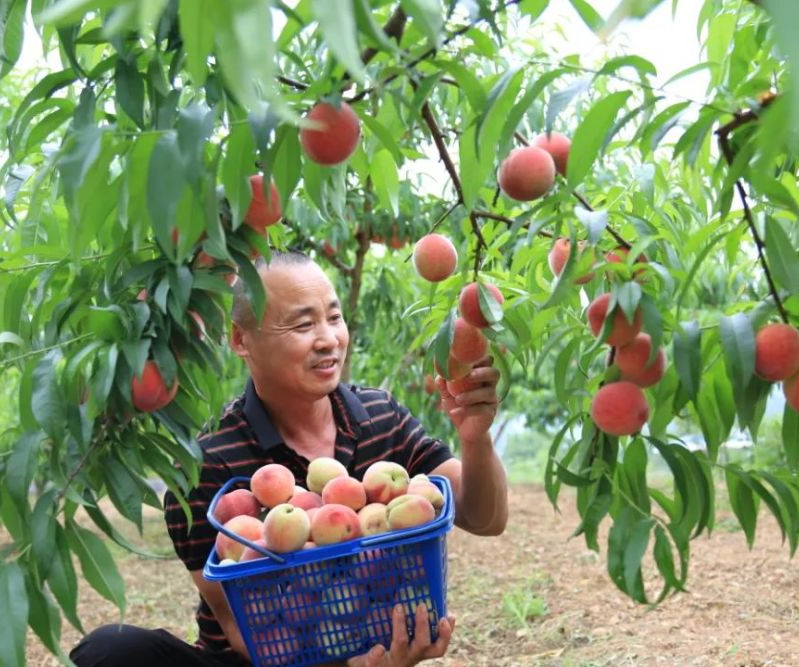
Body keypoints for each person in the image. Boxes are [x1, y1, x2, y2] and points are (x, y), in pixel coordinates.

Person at [71, 250, 509, 666]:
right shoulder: (207, 462)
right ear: (242, 340)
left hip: (366, 640)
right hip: (257, 662)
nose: (328, 339)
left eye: (334, 317)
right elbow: (243, 631)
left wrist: (475, 438)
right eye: (303, 325)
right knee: (114, 651)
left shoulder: (379, 416)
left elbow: (484, 517)